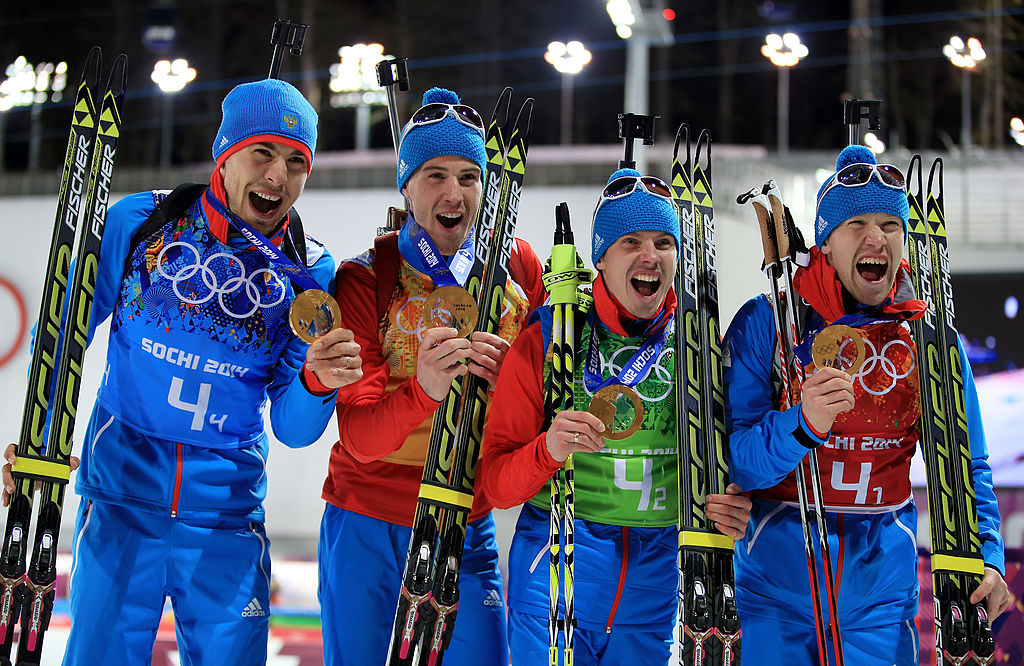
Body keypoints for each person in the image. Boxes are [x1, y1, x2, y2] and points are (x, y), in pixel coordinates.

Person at [3, 78, 362, 665]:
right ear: (225, 152)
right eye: (263, 152)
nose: (279, 175)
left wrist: (318, 383)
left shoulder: (310, 270)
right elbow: (65, 337)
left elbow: (294, 428)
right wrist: (39, 447)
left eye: (298, 162)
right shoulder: (143, 221)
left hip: (225, 520)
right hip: (121, 503)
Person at [723, 144, 1011, 665]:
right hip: (775, 594)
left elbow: (967, 463)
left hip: (879, 593)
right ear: (826, 243)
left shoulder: (929, 336)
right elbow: (734, 459)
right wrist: (801, 425)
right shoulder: (767, 323)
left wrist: (988, 553)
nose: (876, 237)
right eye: (856, 223)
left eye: (890, 224)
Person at [478, 167, 751, 665]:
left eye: (664, 242)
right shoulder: (549, 336)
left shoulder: (700, 346)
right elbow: (496, 485)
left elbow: (732, 456)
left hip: (655, 579)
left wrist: (735, 502)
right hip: (557, 572)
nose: (650, 256)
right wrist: (548, 449)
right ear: (601, 256)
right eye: (631, 242)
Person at [317, 86, 547, 666]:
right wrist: (422, 390)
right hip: (369, 518)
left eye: (470, 177)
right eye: (435, 175)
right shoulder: (366, 277)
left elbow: (549, 390)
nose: (455, 193)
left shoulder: (518, 267)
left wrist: (511, 387)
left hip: (464, 516)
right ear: (407, 186)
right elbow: (360, 439)